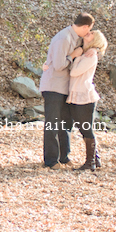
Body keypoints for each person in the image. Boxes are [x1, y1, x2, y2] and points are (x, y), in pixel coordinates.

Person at [38, 13, 93, 168]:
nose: (88, 34)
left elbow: (97, 45)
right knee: (52, 124)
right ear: (85, 27)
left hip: (65, 87)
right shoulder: (64, 38)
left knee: (65, 123)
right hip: (53, 87)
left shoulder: (76, 38)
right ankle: (50, 161)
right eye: (88, 30)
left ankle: (64, 157)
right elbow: (59, 65)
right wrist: (73, 55)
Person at [68, 29, 108, 171]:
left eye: (91, 34)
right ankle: (95, 158)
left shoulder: (90, 56)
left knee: (86, 128)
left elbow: (74, 72)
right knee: (82, 127)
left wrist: (77, 57)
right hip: (77, 93)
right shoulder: (86, 54)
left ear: (95, 40)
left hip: (84, 95)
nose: (87, 34)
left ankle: (90, 161)